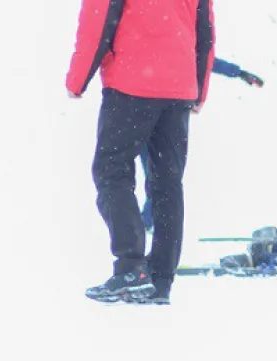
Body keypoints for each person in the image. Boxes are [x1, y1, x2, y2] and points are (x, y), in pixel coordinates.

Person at [66, 0, 216, 305]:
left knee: (112, 171)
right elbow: (206, 30)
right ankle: (161, 277)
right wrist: (199, 86)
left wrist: (78, 78)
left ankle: (132, 267)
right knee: (167, 182)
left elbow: (98, 19)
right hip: (178, 87)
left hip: (131, 83)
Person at [140, 57, 263, 231]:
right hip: (144, 116)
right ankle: (145, 223)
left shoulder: (176, 45)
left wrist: (237, 72)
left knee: (160, 176)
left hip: (159, 117)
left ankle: (147, 222)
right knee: (156, 176)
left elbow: (205, 59)